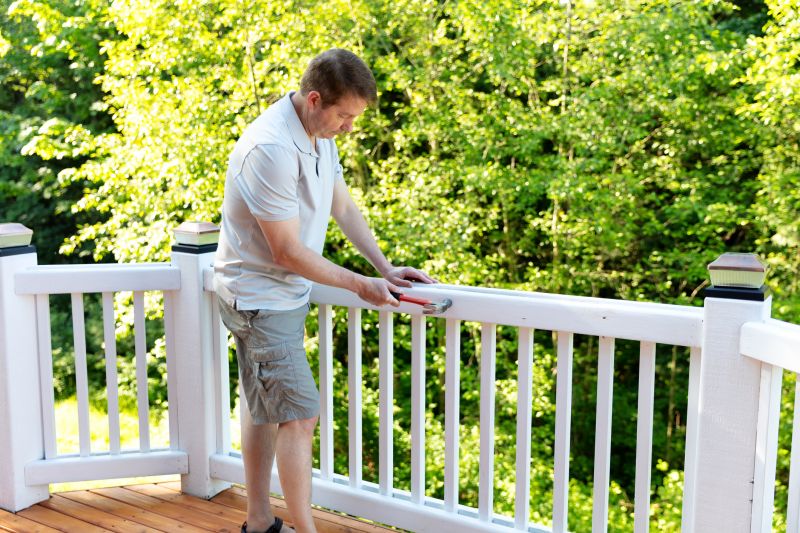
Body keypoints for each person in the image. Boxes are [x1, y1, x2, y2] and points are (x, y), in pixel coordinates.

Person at [213, 48, 436, 533]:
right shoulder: (270, 147)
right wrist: (361, 286)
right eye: (345, 116)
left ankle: (257, 522)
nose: (349, 128)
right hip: (259, 300)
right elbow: (286, 251)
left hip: (282, 296)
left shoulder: (319, 134)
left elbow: (342, 206)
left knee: (265, 408)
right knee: (300, 416)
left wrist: (386, 267)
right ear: (315, 99)